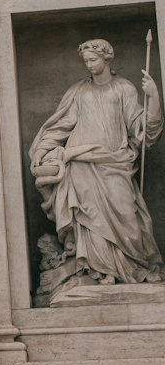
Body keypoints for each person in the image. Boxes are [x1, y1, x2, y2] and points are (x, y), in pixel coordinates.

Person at [30, 39, 163, 286]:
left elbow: (143, 131)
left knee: (127, 214)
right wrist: (42, 149)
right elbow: (60, 126)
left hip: (114, 161)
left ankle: (131, 265)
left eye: (93, 60)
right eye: (86, 61)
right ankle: (100, 270)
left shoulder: (123, 89)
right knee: (88, 216)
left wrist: (153, 97)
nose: (89, 65)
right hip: (80, 162)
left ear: (107, 59)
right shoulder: (78, 91)